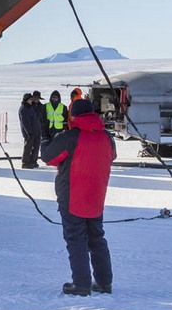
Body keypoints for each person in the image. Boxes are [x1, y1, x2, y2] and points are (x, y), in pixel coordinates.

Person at [41, 98, 116, 296]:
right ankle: (104, 282)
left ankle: (81, 284)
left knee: (76, 239)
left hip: (72, 196)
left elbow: (48, 156)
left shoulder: (72, 137)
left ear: (73, 115)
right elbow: (112, 155)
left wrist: (45, 139)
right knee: (97, 238)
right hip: (96, 195)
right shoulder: (106, 137)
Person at [18, 93, 43, 169]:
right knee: (28, 147)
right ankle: (25, 162)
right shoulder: (23, 109)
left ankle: (33, 161)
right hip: (29, 132)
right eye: (30, 99)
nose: (32, 100)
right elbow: (25, 122)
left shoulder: (31, 107)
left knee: (36, 146)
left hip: (36, 131)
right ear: (26, 100)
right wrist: (29, 132)